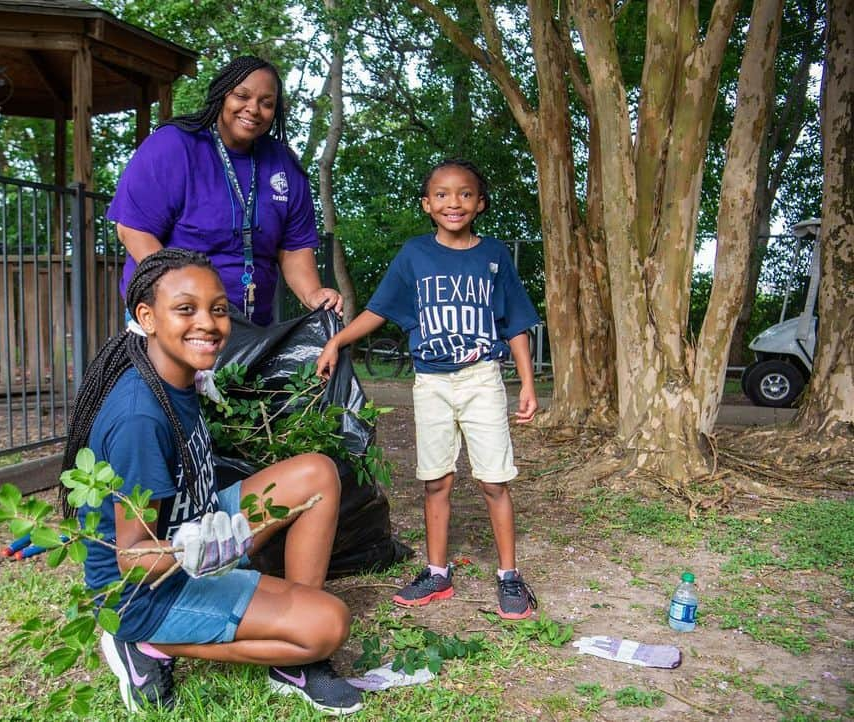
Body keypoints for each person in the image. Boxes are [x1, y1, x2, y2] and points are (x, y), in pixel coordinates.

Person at [61, 248, 362, 715]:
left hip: (195, 522)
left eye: (218, 309)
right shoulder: (140, 417)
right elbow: (131, 560)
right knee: (327, 627)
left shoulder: (178, 376)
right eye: (186, 309)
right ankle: (142, 644)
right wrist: (190, 550)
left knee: (317, 472)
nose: (208, 322)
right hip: (147, 590)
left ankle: (289, 646)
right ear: (148, 316)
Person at [316, 159, 540, 620]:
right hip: (431, 382)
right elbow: (378, 309)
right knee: (436, 479)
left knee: (493, 480)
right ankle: (437, 573)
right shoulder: (414, 255)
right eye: (441, 194)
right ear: (427, 204)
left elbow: (516, 324)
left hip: (482, 380)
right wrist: (337, 340)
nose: (452, 202)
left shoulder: (494, 256)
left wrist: (528, 384)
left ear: (479, 203)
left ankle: (509, 577)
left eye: (463, 194)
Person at [107, 56, 343, 326]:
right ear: (221, 95)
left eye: (267, 103)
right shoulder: (173, 146)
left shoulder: (284, 164)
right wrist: (181, 293)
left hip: (250, 327)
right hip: (170, 319)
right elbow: (134, 230)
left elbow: (294, 248)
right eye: (242, 96)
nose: (253, 109)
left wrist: (313, 294)